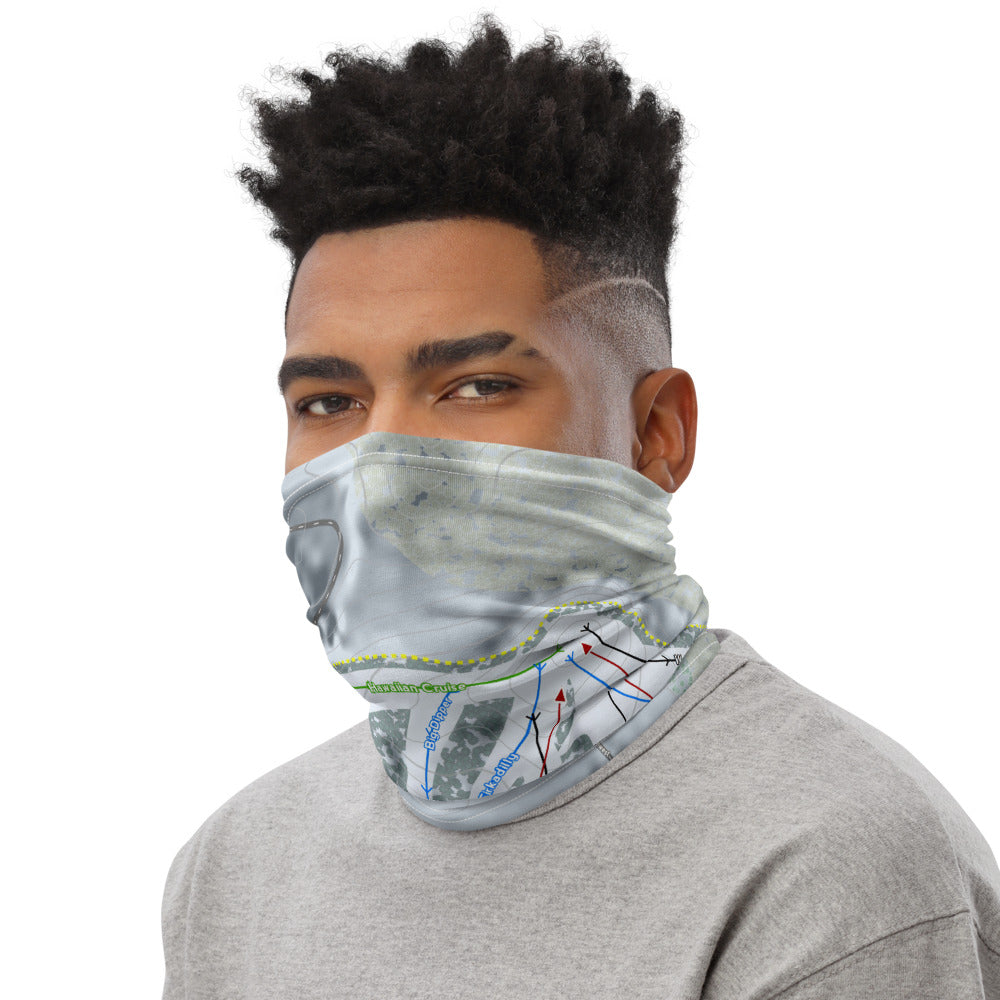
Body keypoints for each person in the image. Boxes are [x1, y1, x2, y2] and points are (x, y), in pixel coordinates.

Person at [160, 17, 1000, 999]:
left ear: (657, 433)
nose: (378, 474)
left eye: (477, 386)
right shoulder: (236, 870)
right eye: (327, 402)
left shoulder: (823, 864)